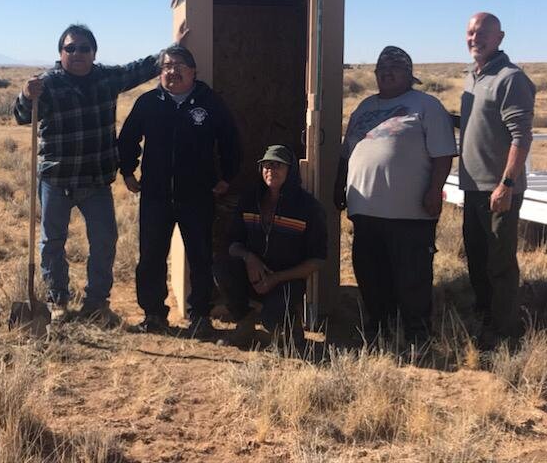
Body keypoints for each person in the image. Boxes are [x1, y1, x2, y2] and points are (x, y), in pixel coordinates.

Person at [14, 23, 185, 323]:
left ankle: (96, 303)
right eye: (71, 48)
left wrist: (171, 50)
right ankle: (58, 301)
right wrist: (27, 96)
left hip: (95, 180)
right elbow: (21, 116)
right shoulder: (47, 84)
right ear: (61, 52)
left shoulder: (105, 78)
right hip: (57, 179)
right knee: (52, 243)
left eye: (84, 48)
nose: (77, 53)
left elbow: (141, 68)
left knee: (105, 241)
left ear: (94, 53)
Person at [334, 46, 457, 347]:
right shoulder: (364, 107)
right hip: (365, 210)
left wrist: (434, 191)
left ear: (409, 74)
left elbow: (443, 154)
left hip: (409, 212)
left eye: (395, 69)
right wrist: (339, 187)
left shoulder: (426, 105)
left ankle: (417, 336)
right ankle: (379, 329)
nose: (386, 74)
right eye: (381, 69)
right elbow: (348, 151)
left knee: (412, 277)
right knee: (371, 274)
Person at [118, 44, 241, 334]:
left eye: (179, 66)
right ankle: (154, 315)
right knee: (150, 256)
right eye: (167, 66)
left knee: (200, 256)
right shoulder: (148, 102)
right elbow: (128, 139)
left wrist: (227, 176)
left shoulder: (209, 102)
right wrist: (127, 169)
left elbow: (230, 141)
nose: (172, 71)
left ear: (193, 72)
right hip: (155, 195)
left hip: (197, 195)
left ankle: (200, 316)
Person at [459, 12, 535, 349]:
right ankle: (485, 316)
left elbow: (521, 136)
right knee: (476, 257)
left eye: (483, 33)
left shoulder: (510, 78)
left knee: (499, 264)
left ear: (500, 38)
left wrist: (506, 184)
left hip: (498, 190)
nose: (475, 38)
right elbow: (476, 122)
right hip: (473, 189)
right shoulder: (473, 77)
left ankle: (505, 333)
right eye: (471, 32)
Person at [213, 145, 327, 347]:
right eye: (266, 165)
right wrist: (249, 258)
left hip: (286, 280)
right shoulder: (250, 200)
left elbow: (317, 260)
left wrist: (276, 278)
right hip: (253, 275)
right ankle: (245, 324)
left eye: (277, 166)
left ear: (290, 170)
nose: (270, 170)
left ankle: (290, 327)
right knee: (223, 267)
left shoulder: (308, 207)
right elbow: (233, 243)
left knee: (273, 321)